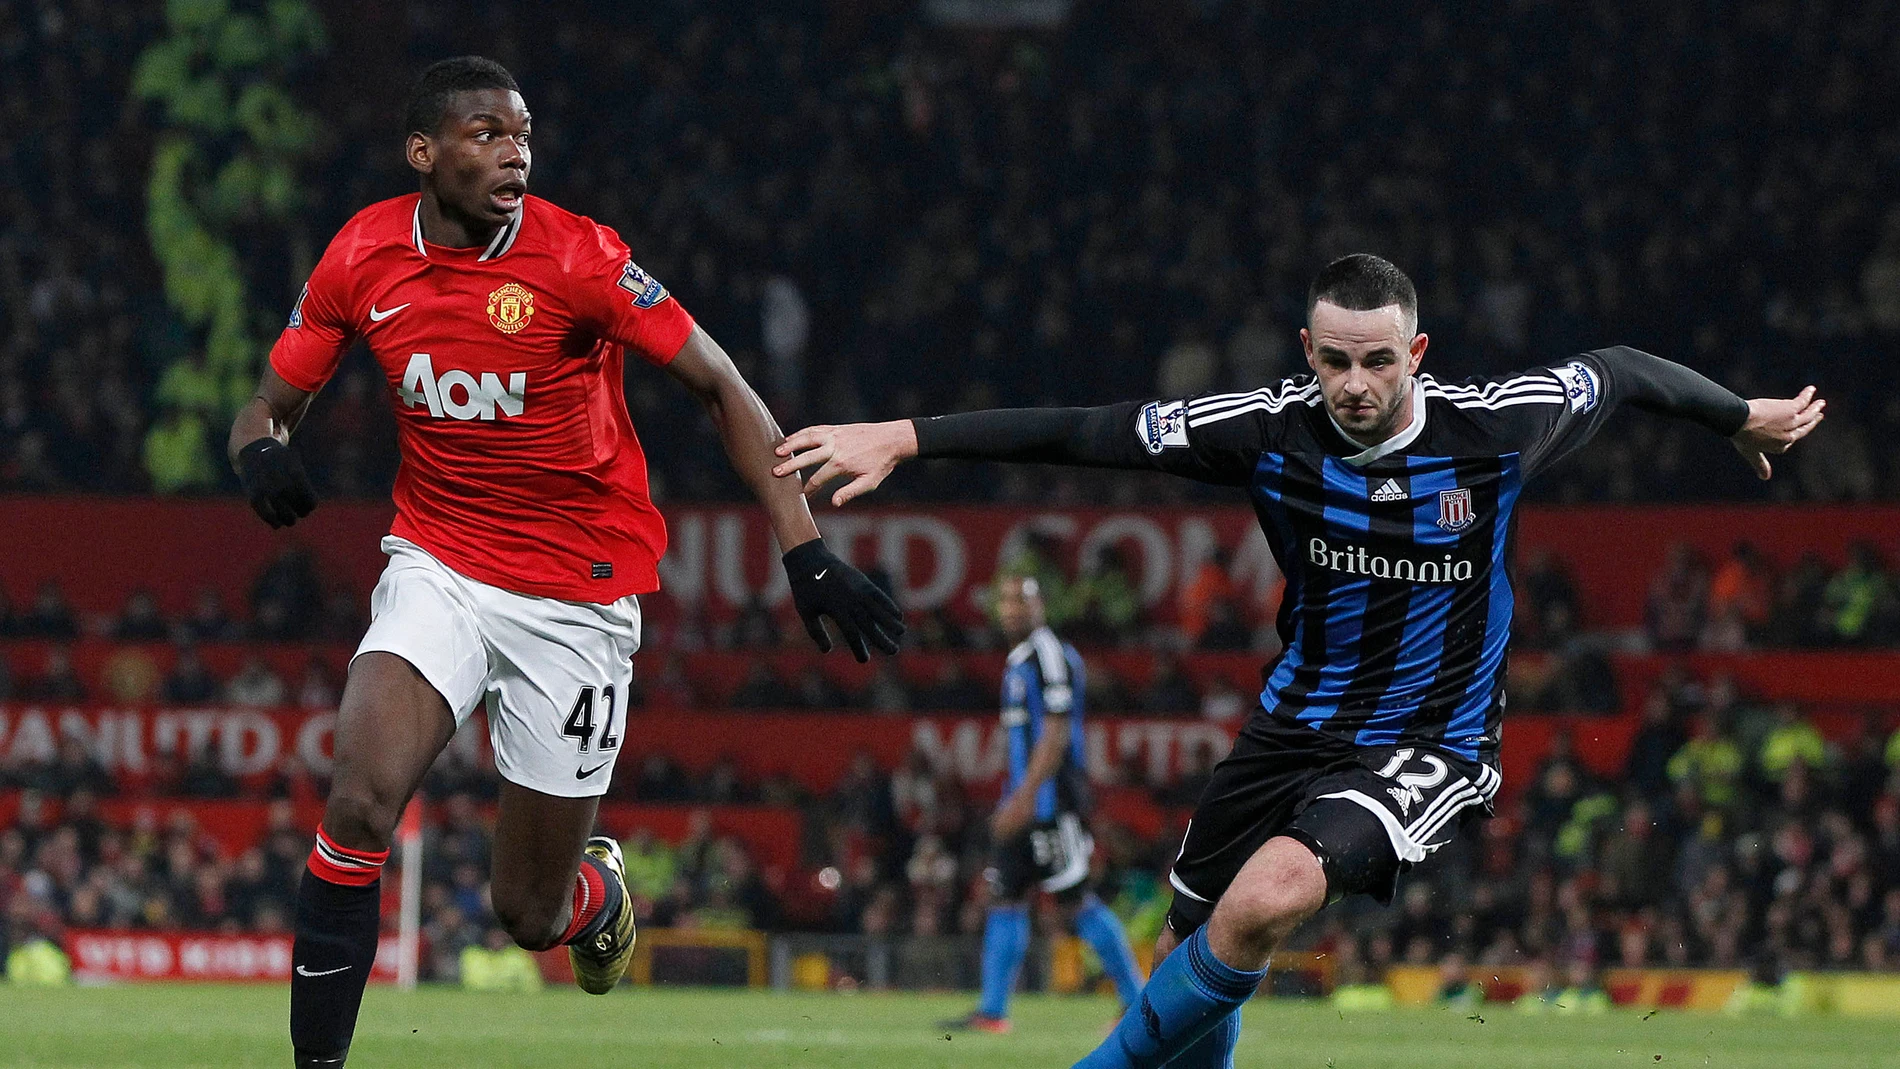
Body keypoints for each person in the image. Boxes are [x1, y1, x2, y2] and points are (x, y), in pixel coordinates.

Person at [776, 253, 1824, 1068]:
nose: (1355, 383)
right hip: (1291, 728)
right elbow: (1091, 432)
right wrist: (907, 437)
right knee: (1188, 952)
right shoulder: (1268, 430)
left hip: (1430, 741)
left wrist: (1737, 416)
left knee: (1269, 895)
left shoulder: (1498, 425)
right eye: (1334, 360)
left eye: (1378, 359)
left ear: (1417, 354)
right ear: (1306, 351)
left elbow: (1623, 370)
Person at [227, 57, 902, 1069]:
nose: (515, 153)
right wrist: (259, 449)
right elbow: (269, 400)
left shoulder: (581, 258)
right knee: (360, 794)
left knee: (528, 913)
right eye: (487, 133)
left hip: (575, 599)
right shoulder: (362, 253)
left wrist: (802, 548)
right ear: (424, 152)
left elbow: (720, 385)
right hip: (437, 564)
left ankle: (596, 894)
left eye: (522, 135)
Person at [943, 573, 1145, 1034]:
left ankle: (1136, 1001)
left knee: (1076, 900)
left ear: (1042, 607)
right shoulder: (1018, 661)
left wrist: (1024, 800)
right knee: (1006, 897)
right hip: (1026, 802)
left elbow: (1055, 735)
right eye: (1007, 600)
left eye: (1023, 601)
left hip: (1050, 806)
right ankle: (993, 1011)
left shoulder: (1049, 656)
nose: (1013, 609)